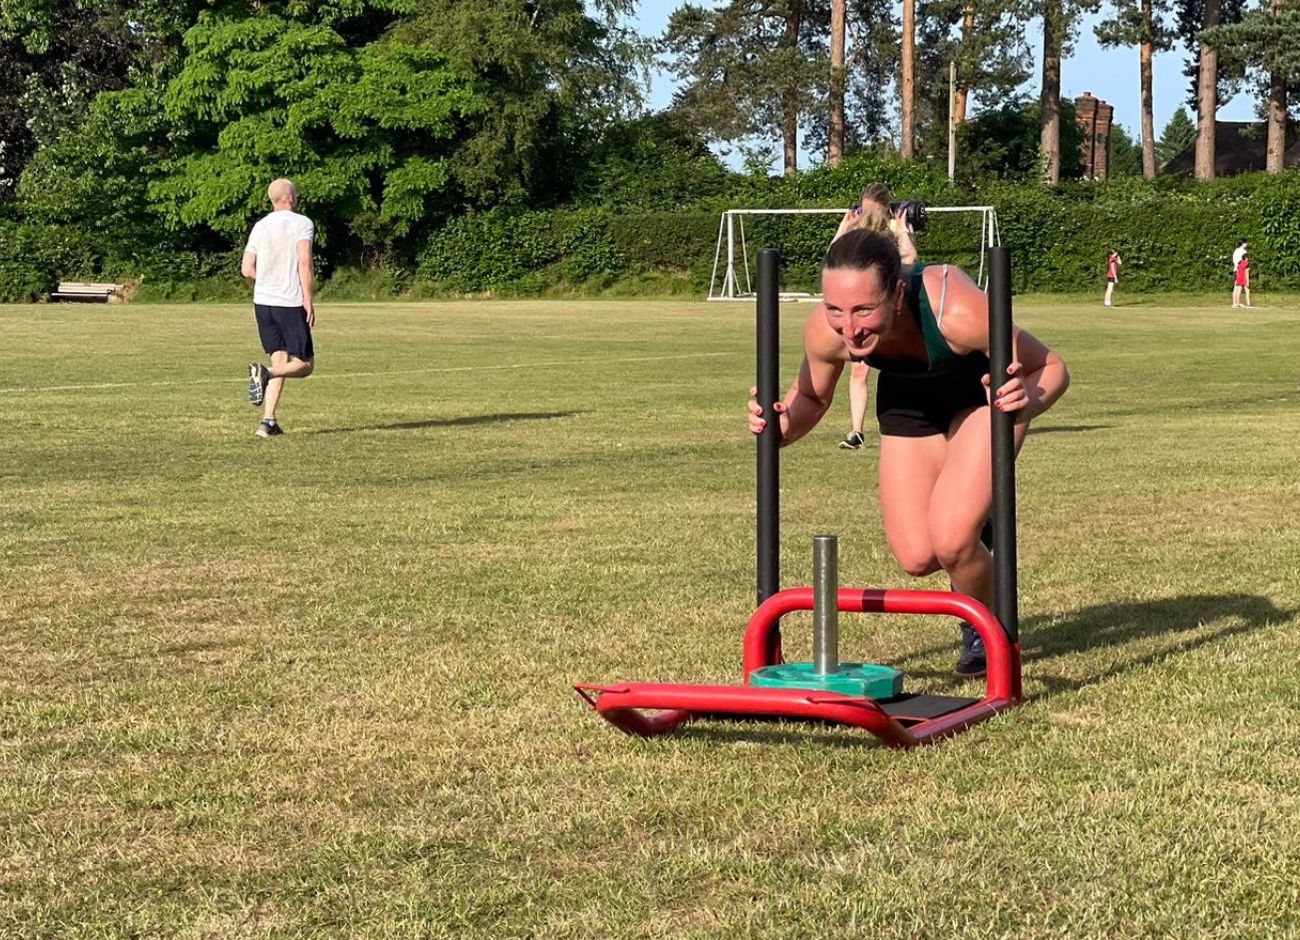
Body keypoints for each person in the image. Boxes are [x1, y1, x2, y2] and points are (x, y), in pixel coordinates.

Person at [746, 228, 1070, 677]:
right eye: (835, 309)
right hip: (907, 401)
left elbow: (1050, 367)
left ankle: (986, 627)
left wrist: (1026, 399)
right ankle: (978, 534)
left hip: (981, 396)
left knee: (953, 539)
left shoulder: (954, 308)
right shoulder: (828, 332)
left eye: (864, 309)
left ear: (897, 293)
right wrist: (777, 426)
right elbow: (813, 399)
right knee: (917, 557)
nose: (850, 327)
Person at [832, 184, 919, 451]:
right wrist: (845, 228)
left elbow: (911, 260)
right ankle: (857, 431)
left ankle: (913, 424)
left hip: (890, 311)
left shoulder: (892, 233)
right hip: (865, 311)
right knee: (859, 370)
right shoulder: (857, 234)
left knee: (900, 369)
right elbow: (834, 257)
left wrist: (903, 230)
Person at [241, 178, 316, 438]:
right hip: (289, 301)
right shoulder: (302, 223)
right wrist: (308, 299)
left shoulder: (260, 226)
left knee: (281, 357)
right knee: (305, 365)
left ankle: (268, 422)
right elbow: (304, 261)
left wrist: (267, 278)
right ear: (291, 198)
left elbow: (247, 269)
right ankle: (265, 373)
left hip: (262, 303)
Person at [1232, 241, 1252, 308]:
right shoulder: (1243, 251)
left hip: (1236, 269)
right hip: (1241, 270)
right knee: (1242, 287)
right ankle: (1247, 303)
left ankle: (1235, 303)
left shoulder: (1236, 251)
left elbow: (1235, 261)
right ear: (1243, 244)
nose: (1247, 244)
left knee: (1236, 287)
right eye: (1246, 243)